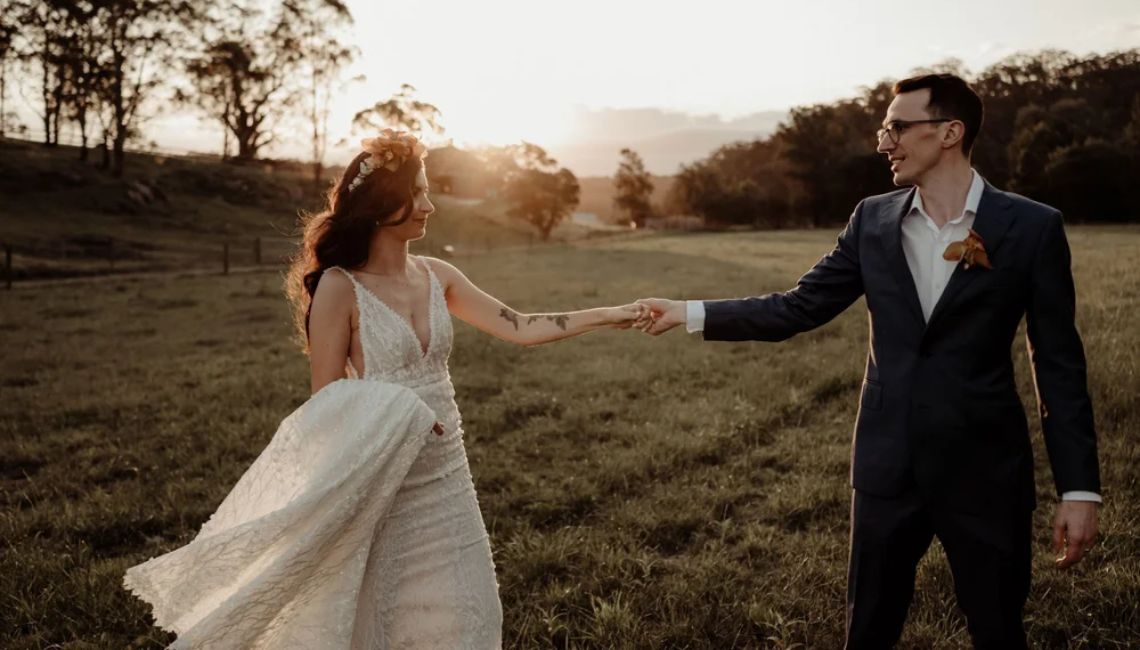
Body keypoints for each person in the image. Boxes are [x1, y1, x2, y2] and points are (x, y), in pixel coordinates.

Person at [123, 129, 646, 648]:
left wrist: (608, 314)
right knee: (389, 625)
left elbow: (522, 326)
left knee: (475, 615)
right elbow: (327, 400)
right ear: (378, 205)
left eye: (427, 192)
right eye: (415, 194)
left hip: (449, 481)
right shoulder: (339, 287)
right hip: (386, 479)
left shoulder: (438, 274)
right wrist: (402, 409)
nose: (429, 206)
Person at [634, 74, 1101, 649]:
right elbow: (797, 307)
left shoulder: (1032, 227)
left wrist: (1079, 490)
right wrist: (686, 312)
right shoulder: (871, 220)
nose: (884, 143)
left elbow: (1057, 363)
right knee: (868, 633)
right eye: (885, 129)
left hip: (985, 471)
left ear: (950, 132)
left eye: (897, 127)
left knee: (999, 631)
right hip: (886, 468)